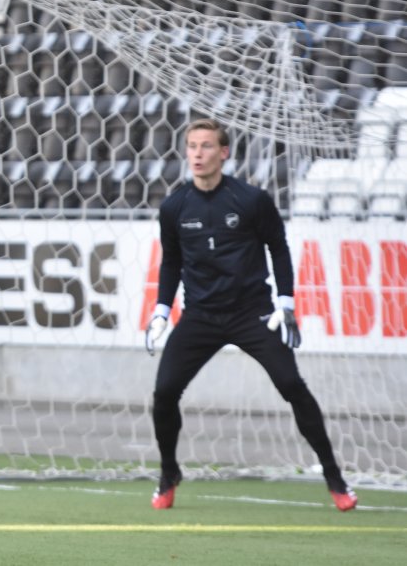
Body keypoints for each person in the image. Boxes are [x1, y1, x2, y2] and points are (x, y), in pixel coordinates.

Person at [144, 118, 357, 512]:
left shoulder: (251, 200)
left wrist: (286, 303)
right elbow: (171, 261)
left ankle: (334, 476)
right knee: (164, 393)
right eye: (192, 146)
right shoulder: (174, 207)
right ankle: (169, 472)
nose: (198, 154)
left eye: (207, 146)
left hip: (252, 313)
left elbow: (279, 248)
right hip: (201, 316)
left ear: (224, 152)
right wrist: (161, 310)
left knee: (291, 385)